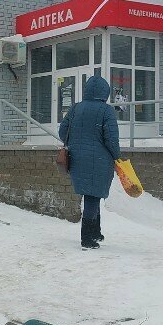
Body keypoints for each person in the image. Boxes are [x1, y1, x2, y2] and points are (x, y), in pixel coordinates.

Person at [59, 76, 120, 250]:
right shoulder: (106, 110)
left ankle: (95, 232)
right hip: (100, 160)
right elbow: (111, 139)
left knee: (92, 194)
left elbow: (63, 131)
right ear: (105, 92)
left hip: (78, 159)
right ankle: (87, 238)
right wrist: (117, 156)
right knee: (93, 196)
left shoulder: (75, 108)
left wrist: (76, 144)